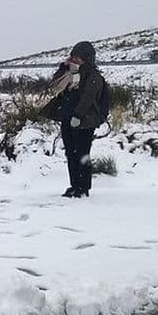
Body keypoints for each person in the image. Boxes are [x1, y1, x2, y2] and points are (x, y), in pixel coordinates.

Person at [40, 41, 107, 198]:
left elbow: (88, 98)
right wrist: (63, 67)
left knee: (82, 154)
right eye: (73, 57)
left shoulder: (93, 76)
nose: (74, 60)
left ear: (87, 59)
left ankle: (83, 188)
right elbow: (54, 84)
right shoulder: (70, 74)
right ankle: (74, 185)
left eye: (78, 58)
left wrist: (78, 115)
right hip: (67, 119)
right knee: (71, 153)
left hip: (84, 122)